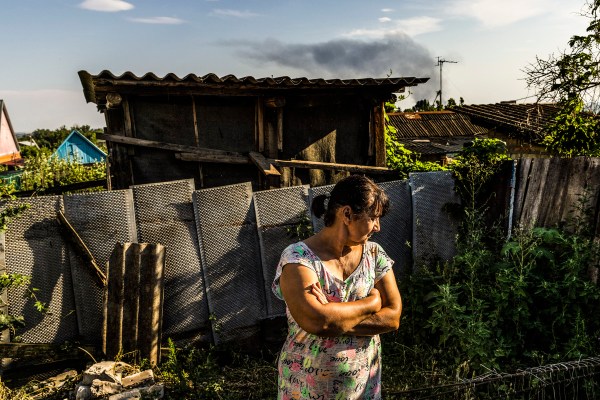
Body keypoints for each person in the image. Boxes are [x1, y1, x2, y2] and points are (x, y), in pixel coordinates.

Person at [272, 175, 402, 400]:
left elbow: (392, 318)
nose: (378, 227)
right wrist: (370, 303)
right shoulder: (298, 259)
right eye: (373, 218)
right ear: (348, 214)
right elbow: (318, 321)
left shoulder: (374, 255)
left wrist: (334, 318)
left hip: (364, 388)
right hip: (306, 389)